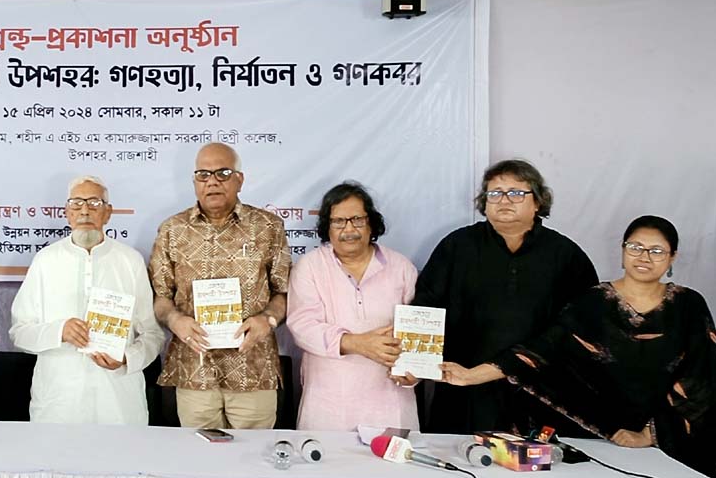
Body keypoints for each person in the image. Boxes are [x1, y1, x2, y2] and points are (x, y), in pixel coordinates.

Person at [440, 216, 715, 477]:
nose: (644, 257)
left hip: (669, 444)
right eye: (635, 247)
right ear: (623, 251)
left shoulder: (689, 305)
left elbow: (703, 373)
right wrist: (470, 375)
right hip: (597, 438)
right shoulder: (593, 302)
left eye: (656, 251)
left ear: (672, 257)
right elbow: (542, 349)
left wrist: (650, 433)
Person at [413, 159, 598, 434]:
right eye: (495, 193)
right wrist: (414, 365)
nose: (504, 200)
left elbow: (581, 329)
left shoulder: (566, 255)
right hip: (463, 385)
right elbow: (425, 308)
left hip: (540, 393)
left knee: (534, 459)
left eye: (516, 193)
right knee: (459, 457)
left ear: (538, 202)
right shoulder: (457, 246)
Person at [149, 143, 291, 429]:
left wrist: (268, 319)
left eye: (223, 173)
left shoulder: (267, 227)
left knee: (254, 455)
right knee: (200, 454)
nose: (212, 181)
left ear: (240, 179)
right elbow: (160, 297)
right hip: (195, 371)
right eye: (203, 174)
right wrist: (174, 320)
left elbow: (284, 292)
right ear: (194, 182)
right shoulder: (172, 230)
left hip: (253, 370)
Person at [11, 176, 164, 424]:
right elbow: (19, 332)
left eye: (94, 203)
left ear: (108, 213)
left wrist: (128, 358)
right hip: (59, 403)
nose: (84, 211)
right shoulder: (46, 261)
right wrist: (59, 331)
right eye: (76, 203)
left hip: (118, 403)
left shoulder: (130, 261)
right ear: (67, 212)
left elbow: (153, 335)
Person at [287, 182, 418, 430]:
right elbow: (303, 327)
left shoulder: (402, 267)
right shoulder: (310, 267)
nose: (349, 229)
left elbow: (419, 329)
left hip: (390, 402)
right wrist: (357, 343)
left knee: (393, 456)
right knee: (325, 455)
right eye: (338, 221)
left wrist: (414, 372)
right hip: (328, 404)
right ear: (327, 227)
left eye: (357, 220)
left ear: (371, 223)